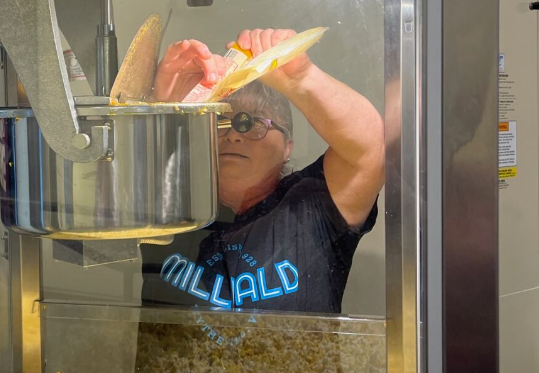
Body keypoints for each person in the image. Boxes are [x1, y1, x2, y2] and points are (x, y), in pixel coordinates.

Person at [140, 27, 385, 314]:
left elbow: (372, 150)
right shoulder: (170, 199)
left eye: (251, 123)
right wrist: (164, 108)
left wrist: (301, 79)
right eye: (220, 121)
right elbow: (95, 200)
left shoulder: (310, 206)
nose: (233, 135)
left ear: (287, 146)